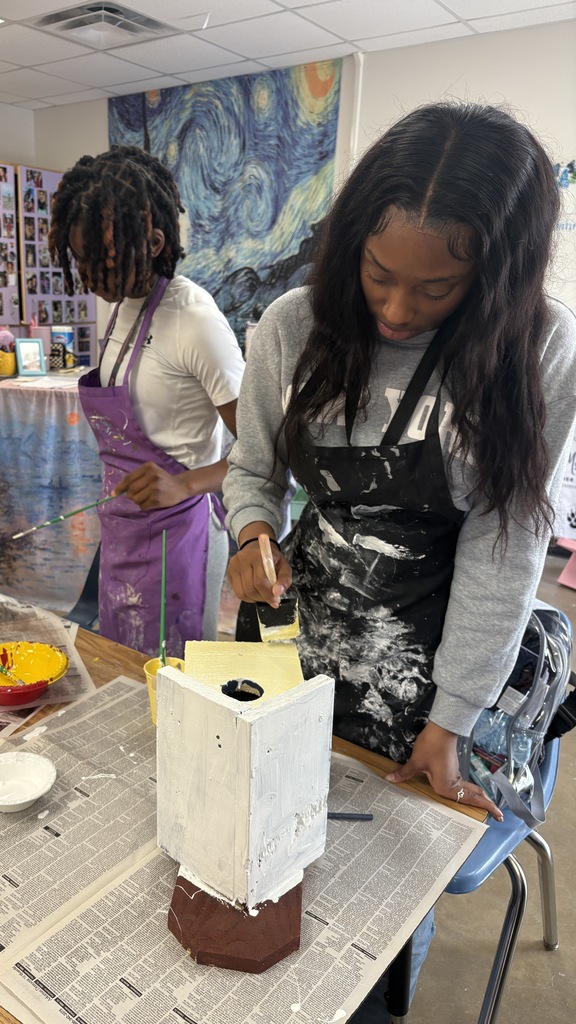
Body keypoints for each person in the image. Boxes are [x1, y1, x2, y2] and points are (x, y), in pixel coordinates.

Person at [222, 102, 576, 1020]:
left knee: (375, 901)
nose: (395, 308)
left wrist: (452, 717)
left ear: (496, 275)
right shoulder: (294, 327)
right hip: (301, 622)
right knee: (266, 846)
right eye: (378, 276)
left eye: (436, 290)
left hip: (439, 644)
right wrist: (254, 534)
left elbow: (506, 547)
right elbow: (254, 473)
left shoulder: (534, 349)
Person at [48, 144, 245, 659]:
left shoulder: (195, 320)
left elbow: (267, 449)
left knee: (174, 685)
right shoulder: (124, 307)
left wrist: (184, 482)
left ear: (154, 242)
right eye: (80, 259)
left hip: (181, 538)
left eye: (98, 259)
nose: (88, 276)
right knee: (127, 670)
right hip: (126, 529)